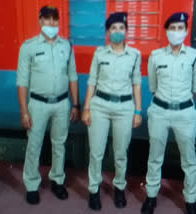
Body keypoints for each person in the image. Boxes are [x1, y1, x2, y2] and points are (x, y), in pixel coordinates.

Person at [141, 12, 196, 214]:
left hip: (185, 114)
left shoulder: (195, 56)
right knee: (154, 157)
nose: (176, 32)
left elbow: (195, 90)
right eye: (172, 28)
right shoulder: (156, 56)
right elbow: (153, 86)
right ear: (166, 31)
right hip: (159, 111)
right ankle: (151, 197)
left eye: (180, 28)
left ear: (186, 31)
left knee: (189, 159)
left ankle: (191, 200)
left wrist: (180, 104)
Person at [16, 5, 80, 205]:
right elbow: (22, 82)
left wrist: (76, 104)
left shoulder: (67, 46)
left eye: (55, 19)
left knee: (59, 144)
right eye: (47, 19)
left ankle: (57, 181)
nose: (51, 23)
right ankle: (32, 185)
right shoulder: (29, 47)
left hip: (62, 103)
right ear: (40, 20)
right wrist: (24, 111)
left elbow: (73, 77)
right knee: (34, 146)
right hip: (38, 104)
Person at [82, 12, 142, 211]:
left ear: (126, 31)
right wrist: (86, 108)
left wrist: (138, 111)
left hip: (125, 108)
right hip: (99, 106)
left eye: (121, 28)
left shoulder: (134, 55)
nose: (118, 31)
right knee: (96, 152)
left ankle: (119, 188)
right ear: (108, 32)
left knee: (120, 153)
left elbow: (136, 84)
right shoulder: (100, 54)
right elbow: (92, 81)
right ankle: (93, 190)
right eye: (114, 28)